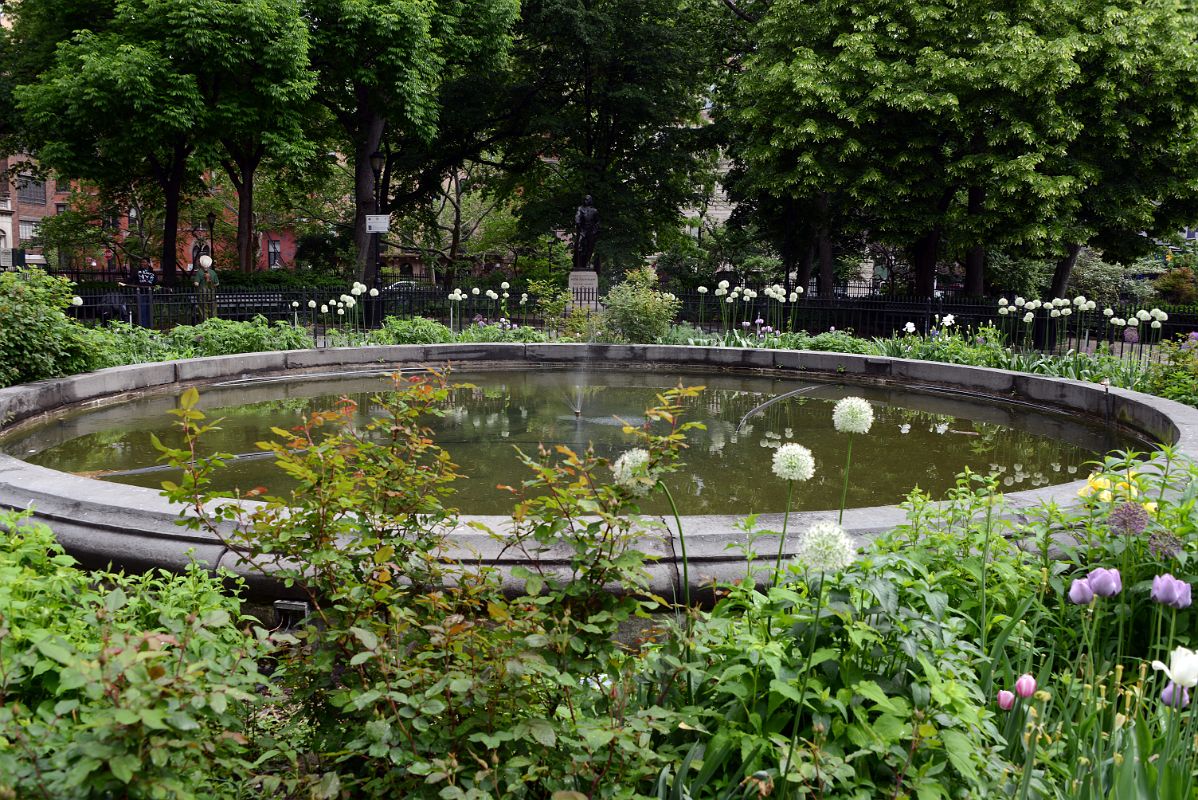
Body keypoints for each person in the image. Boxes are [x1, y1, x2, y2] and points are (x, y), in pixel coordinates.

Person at [573, 195, 599, 272]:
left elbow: (597, 222)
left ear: (590, 201)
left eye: (587, 200)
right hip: (582, 230)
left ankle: (587, 262)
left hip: (591, 231)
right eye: (585, 200)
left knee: (590, 247)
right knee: (579, 245)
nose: (585, 201)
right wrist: (577, 222)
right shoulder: (580, 208)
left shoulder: (594, 211)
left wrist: (595, 230)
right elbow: (577, 216)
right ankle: (578, 263)